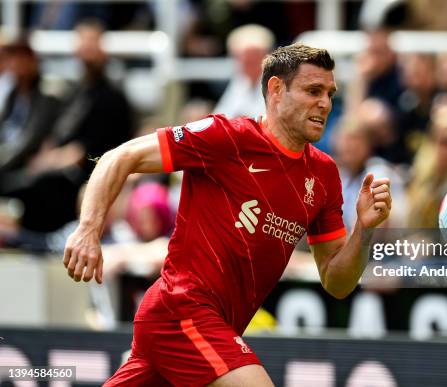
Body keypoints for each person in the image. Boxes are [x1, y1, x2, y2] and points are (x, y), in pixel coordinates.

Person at [63, 44, 392, 386]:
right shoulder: (226, 138)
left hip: (206, 324)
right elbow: (120, 156)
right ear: (276, 89)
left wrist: (364, 232)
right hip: (181, 309)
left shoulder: (323, 175)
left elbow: (336, 282)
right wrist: (88, 229)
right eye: (313, 91)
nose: (325, 103)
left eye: (329, 93)